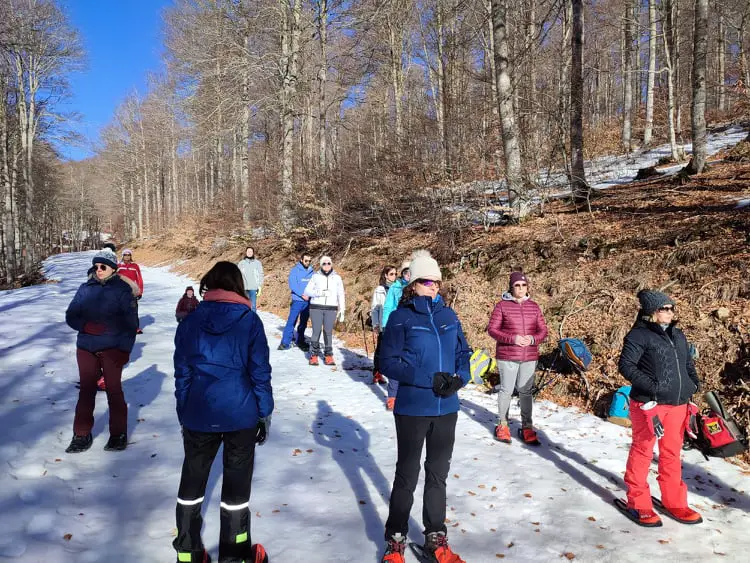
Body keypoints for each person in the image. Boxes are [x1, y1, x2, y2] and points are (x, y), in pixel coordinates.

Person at [173, 261, 273, 563]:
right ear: (238, 286)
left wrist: (184, 411)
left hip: (199, 414)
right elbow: (260, 373)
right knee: (237, 486)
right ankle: (235, 554)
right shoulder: (250, 321)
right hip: (240, 415)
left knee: (192, 480)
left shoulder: (190, 321)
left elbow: (182, 373)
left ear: (209, 285)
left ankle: (188, 552)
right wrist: (264, 413)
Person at [379, 250, 470, 563]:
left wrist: (461, 378)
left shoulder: (448, 315)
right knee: (407, 474)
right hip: (413, 407)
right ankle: (395, 539)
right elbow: (386, 361)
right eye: (428, 281)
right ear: (414, 283)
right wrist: (424, 378)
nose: (435, 286)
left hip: (447, 409)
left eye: (438, 282)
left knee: (438, 474)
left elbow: (464, 352)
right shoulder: (401, 317)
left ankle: (435, 536)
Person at [617, 289, 702, 526]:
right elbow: (626, 365)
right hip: (648, 405)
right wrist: (652, 386)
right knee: (643, 452)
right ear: (651, 312)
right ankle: (638, 503)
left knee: (672, 454)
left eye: (671, 308)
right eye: (664, 308)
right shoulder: (639, 335)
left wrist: (692, 384)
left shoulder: (678, 334)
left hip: (678, 405)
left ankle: (675, 502)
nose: (669, 312)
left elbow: (687, 363)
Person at [64, 249, 138, 453]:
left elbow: (131, 324)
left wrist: (125, 350)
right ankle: (81, 434)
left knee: (114, 391)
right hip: (86, 347)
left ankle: (118, 434)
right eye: (96, 266)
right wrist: (85, 326)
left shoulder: (123, 290)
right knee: (86, 391)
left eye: (103, 266)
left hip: (112, 348)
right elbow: (71, 315)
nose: (98, 270)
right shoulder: (85, 288)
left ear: (113, 268)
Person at [487, 271, 548, 445]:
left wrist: (533, 339)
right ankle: (502, 425)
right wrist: (513, 339)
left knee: (526, 391)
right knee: (506, 390)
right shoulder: (502, 306)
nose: (520, 288)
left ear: (527, 287)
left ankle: (527, 426)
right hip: (507, 355)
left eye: (523, 285)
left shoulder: (534, 307)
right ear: (511, 287)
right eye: (517, 285)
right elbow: (492, 330)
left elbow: (543, 331)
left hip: (529, 355)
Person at [304, 256, 345, 366]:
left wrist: (342, 309)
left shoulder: (337, 278)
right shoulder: (315, 276)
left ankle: (328, 355)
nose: (326, 265)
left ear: (331, 264)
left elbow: (341, 294)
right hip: (316, 307)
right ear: (321, 265)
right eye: (324, 263)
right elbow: (307, 291)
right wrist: (319, 293)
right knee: (316, 331)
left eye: (328, 263)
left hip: (331, 308)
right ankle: (314, 355)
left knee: (328, 332)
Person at [381, 259, 411, 410]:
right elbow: (387, 307)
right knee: (395, 360)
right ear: (402, 273)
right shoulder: (395, 287)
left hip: (412, 329)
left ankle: (407, 393)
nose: (408, 275)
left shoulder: (417, 288)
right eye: (406, 272)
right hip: (396, 327)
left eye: (410, 272)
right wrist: (385, 325)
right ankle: (392, 395)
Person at [278, 252, 314, 351]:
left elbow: (315, 285)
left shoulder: (312, 272)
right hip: (297, 301)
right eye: (306, 260)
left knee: (303, 322)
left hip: (308, 302)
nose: (308, 262)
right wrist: (302, 294)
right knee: (292, 321)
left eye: (309, 261)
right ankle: (285, 342)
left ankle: (300, 341)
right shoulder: (295, 271)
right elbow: (293, 285)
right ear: (301, 260)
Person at [371, 265, 397, 384]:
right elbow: (375, 308)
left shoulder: (398, 288)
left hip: (396, 324)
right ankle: (377, 372)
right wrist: (376, 324)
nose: (394, 276)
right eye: (391, 274)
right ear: (385, 275)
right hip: (383, 323)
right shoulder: (380, 290)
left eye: (396, 274)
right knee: (381, 349)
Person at [118, 249, 144, 334]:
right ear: (123, 256)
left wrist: (140, 292)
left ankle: (135, 328)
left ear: (130, 256)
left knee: (133, 310)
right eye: (125, 255)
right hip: (121, 292)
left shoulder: (135, 266)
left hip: (132, 291)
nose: (127, 256)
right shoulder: (118, 266)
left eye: (128, 255)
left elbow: (139, 279)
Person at [237, 246, 264, 312]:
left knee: (253, 306)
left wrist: (260, 286)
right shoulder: (241, 263)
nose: (249, 253)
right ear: (246, 252)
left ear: (253, 253)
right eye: (248, 251)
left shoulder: (257, 263)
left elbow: (261, 274)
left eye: (251, 251)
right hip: (243, 288)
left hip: (253, 288)